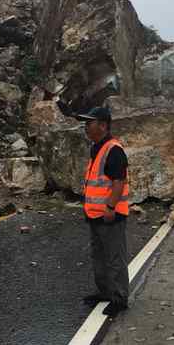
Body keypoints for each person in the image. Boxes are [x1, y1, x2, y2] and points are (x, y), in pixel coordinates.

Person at [76, 106, 130, 317]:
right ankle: (105, 291)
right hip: (94, 214)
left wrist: (110, 206)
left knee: (115, 257)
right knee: (99, 256)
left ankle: (119, 298)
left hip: (110, 215)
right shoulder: (96, 147)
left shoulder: (113, 149)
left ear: (103, 125)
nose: (86, 127)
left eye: (89, 123)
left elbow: (119, 181)